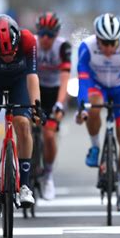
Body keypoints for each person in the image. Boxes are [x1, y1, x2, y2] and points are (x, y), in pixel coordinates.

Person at [0, 14, 45, 207]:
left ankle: (25, 185)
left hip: (19, 82)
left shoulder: (29, 40)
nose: (8, 58)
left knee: (22, 123)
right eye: (2, 55)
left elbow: (32, 77)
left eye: (11, 53)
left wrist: (37, 107)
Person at [75, 13, 120, 212]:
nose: (107, 48)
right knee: (93, 105)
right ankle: (96, 146)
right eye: (103, 43)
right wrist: (82, 106)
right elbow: (83, 81)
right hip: (97, 86)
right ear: (97, 38)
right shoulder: (86, 47)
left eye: (112, 43)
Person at [34, 12, 72, 200]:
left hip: (54, 91)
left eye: (50, 35)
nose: (45, 39)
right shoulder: (31, 44)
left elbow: (65, 80)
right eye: (42, 34)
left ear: (56, 35)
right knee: (23, 126)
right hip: (34, 90)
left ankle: (48, 175)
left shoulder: (62, 47)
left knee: (49, 135)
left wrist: (59, 103)